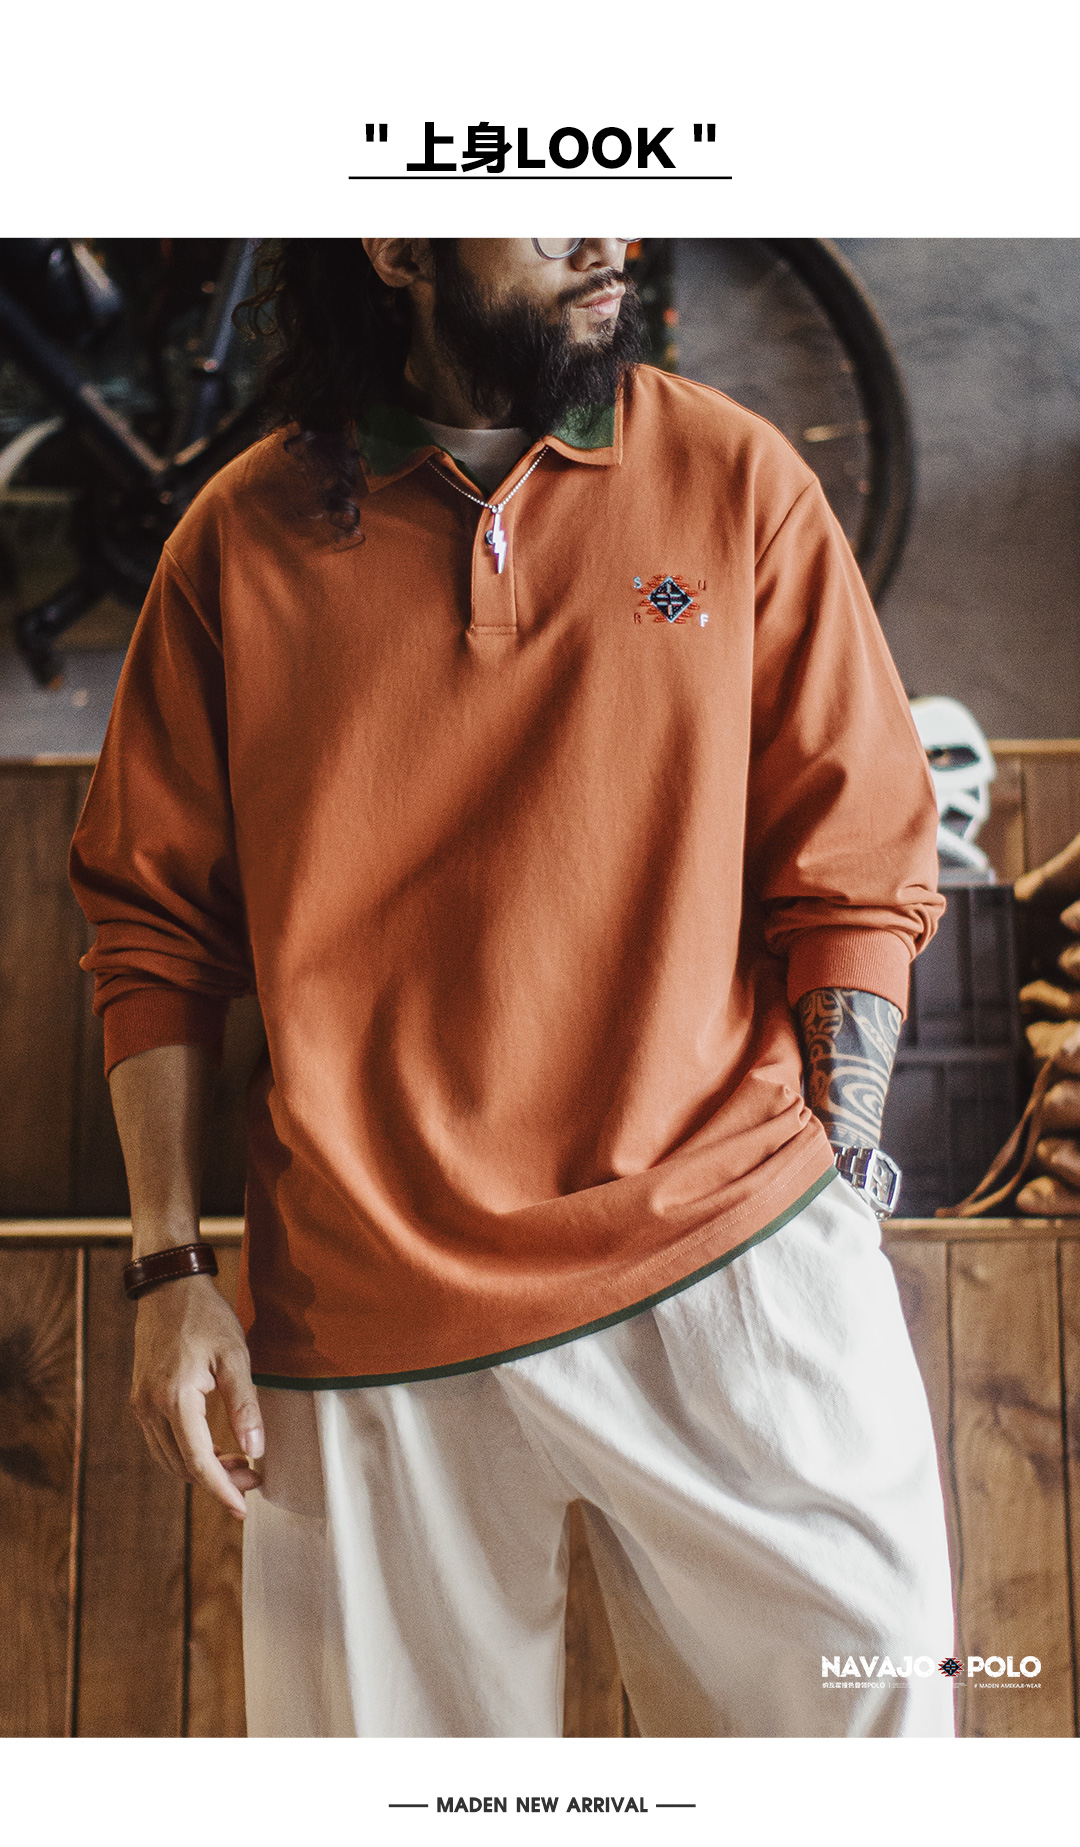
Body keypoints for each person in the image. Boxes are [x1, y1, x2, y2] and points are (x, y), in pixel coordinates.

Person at [69, 237, 956, 1738]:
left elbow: (859, 864)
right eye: (545, 209)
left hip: (734, 1253)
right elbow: (152, 924)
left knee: (878, 1739)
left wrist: (845, 1179)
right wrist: (169, 1270)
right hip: (366, 1302)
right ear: (399, 246)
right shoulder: (238, 537)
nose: (606, 242)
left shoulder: (738, 478)